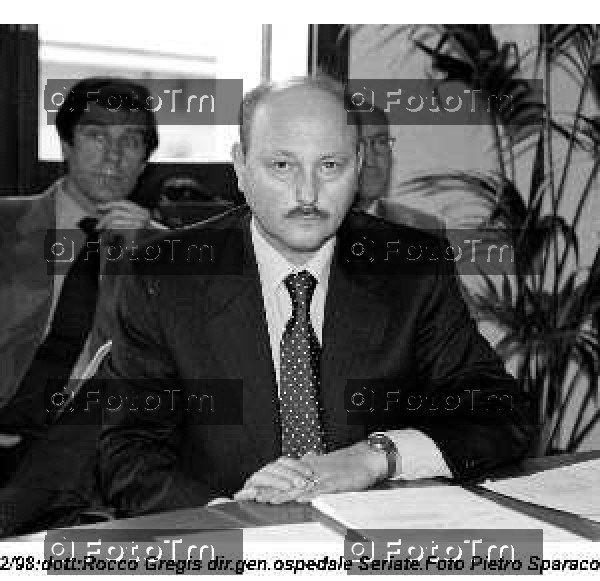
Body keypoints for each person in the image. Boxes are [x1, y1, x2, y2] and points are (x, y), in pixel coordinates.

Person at [98, 76, 532, 516]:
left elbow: (500, 412)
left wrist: (375, 457)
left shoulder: (410, 267)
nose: (307, 194)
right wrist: (228, 521)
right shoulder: (166, 275)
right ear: (241, 167)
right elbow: (129, 451)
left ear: (358, 165)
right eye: (282, 165)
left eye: (330, 165)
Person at [0, 76, 161, 535]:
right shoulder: (6, 224)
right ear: (66, 144)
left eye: (131, 141)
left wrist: (155, 254)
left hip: (81, 445)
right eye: (96, 136)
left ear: (145, 161)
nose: (114, 156)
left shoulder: (169, 250)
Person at [355, 104, 445, 233]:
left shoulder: (425, 228)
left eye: (381, 142)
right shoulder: (324, 228)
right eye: (358, 145)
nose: (370, 161)